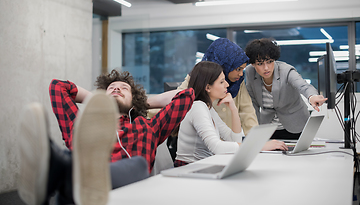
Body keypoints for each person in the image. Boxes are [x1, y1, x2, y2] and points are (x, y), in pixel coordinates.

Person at [18, 69, 194, 205]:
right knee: (80, 143)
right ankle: (70, 172)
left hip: (126, 194)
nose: (117, 88)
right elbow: (57, 86)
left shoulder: (148, 126)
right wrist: (101, 100)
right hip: (83, 196)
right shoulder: (83, 124)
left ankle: (57, 167)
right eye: (111, 88)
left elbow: (187, 96)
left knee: (138, 165)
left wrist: (140, 102)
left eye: (124, 88)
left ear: (134, 99)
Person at [174, 61, 287, 166]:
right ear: (208, 87)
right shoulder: (197, 107)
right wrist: (258, 146)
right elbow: (217, 147)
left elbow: (234, 140)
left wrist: (233, 109)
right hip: (189, 169)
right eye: (222, 82)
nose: (227, 85)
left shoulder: (208, 108)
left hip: (203, 166)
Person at [245, 38, 327, 139]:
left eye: (270, 61)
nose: (266, 68)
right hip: (268, 128)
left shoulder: (286, 70)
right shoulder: (250, 72)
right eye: (260, 64)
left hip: (295, 124)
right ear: (253, 64)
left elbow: (302, 85)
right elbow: (253, 103)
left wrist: (312, 97)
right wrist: (254, 129)